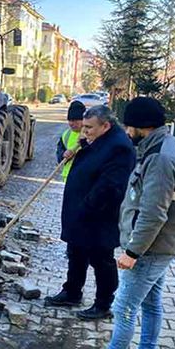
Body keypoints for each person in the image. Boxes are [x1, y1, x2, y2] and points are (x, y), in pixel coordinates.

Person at [88, 97, 175, 349]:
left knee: (124, 305)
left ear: (140, 126)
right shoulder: (164, 146)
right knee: (151, 302)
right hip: (160, 245)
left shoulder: (160, 157)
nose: (125, 131)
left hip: (150, 248)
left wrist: (133, 252)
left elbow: (153, 213)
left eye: (128, 126)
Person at [46, 105, 136, 320]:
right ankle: (72, 292)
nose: (84, 131)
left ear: (105, 125)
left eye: (89, 127)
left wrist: (87, 207)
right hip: (81, 212)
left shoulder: (119, 147)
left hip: (98, 216)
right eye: (83, 127)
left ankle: (103, 304)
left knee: (101, 259)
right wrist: (84, 144)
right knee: (76, 253)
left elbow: (111, 186)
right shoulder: (97, 140)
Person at [56, 101, 86, 182]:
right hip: (68, 177)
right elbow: (59, 154)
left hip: (84, 178)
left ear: (83, 120)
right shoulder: (66, 135)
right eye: (70, 120)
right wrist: (63, 154)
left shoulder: (90, 134)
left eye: (76, 120)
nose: (72, 123)